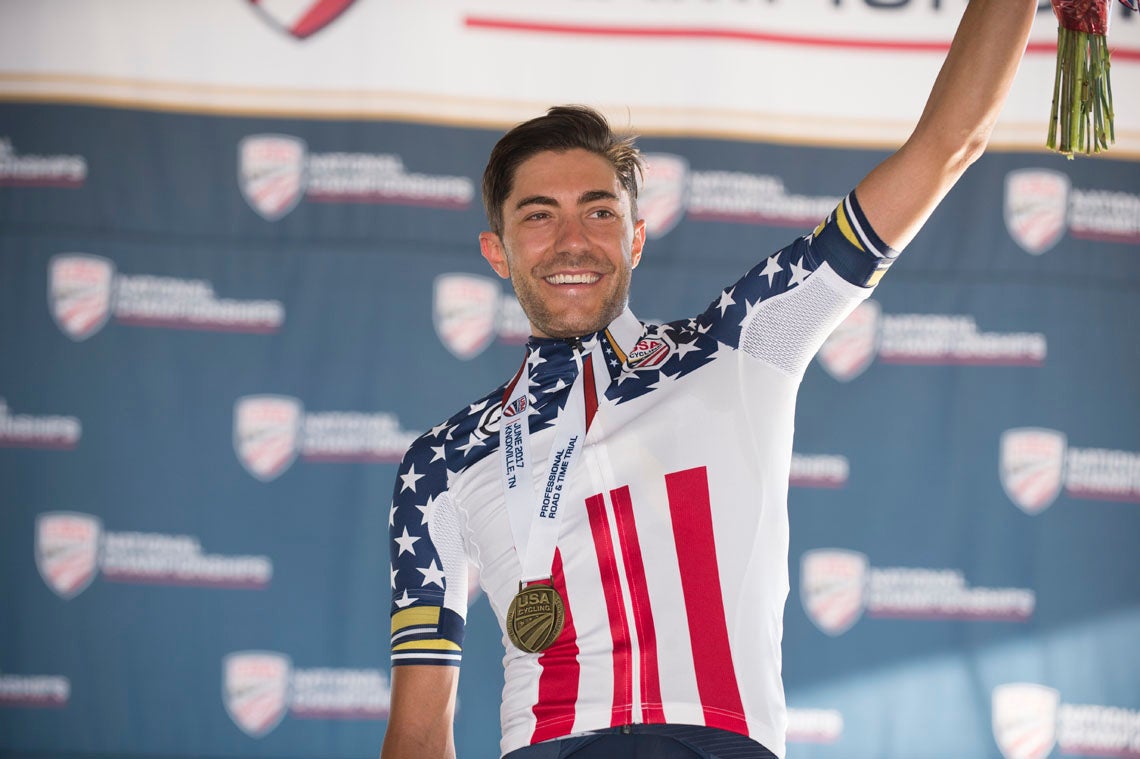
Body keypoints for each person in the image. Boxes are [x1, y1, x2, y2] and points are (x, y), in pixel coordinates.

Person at [383, 1, 1039, 757]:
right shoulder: (442, 463)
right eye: (538, 216)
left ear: (635, 237)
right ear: (497, 251)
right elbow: (419, 728)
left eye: (599, 212)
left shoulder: (740, 343)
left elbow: (948, 144)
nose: (572, 240)